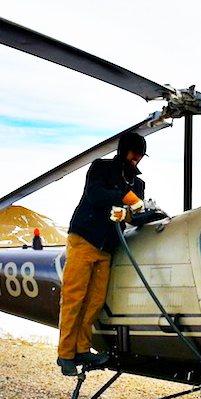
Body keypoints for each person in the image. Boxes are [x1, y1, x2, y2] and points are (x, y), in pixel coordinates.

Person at [56, 132, 147, 376]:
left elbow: (134, 213)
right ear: (123, 150)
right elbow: (95, 195)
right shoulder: (101, 169)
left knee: (95, 302)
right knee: (74, 297)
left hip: (107, 248)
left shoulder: (139, 184)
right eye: (133, 153)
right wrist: (124, 198)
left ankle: (82, 349)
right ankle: (65, 354)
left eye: (140, 155)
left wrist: (133, 215)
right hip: (84, 240)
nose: (136, 158)